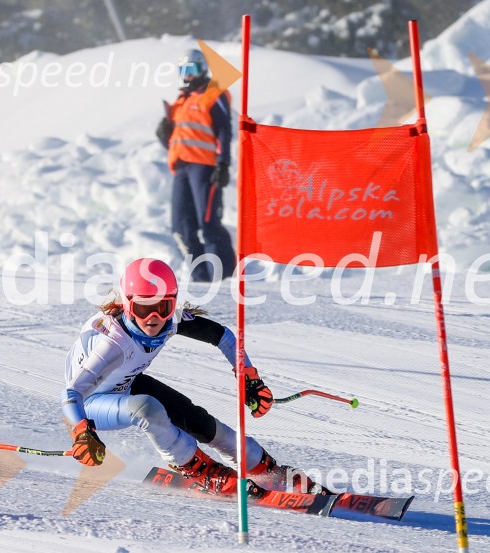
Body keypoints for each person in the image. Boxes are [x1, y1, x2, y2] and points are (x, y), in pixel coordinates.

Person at [61, 258, 325, 495]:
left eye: (163, 307)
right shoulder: (113, 344)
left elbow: (224, 337)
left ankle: (266, 469)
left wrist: (248, 377)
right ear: (128, 305)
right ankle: (199, 469)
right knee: (148, 409)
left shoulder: (171, 321)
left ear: (173, 302)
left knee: (197, 419)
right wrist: (82, 431)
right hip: (91, 403)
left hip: (125, 384)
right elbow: (72, 393)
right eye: (143, 309)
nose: (154, 319)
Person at [156, 48, 237, 283]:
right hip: (181, 169)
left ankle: (224, 280)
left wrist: (223, 164)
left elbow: (224, 129)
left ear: (202, 68)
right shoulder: (180, 102)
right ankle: (201, 281)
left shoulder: (213, 93)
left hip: (204, 167)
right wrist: (164, 134)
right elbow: (177, 140)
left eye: (192, 69)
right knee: (181, 230)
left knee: (209, 225)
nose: (188, 75)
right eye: (183, 70)